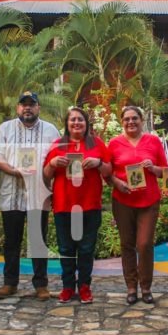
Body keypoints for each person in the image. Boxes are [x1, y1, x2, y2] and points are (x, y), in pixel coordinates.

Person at [0, 91, 60, 300]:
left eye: (31, 104)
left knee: (38, 240)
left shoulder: (50, 130)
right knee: (12, 241)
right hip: (12, 194)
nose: (27, 108)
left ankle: (41, 285)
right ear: (17, 108)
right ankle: (10, 283)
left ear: (38, 108)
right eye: (23, 104)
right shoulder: (6, 129)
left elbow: (58, 158)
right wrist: (13, 171)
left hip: (39, 193)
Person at [43, 107, 112, 304]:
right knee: (66, 249)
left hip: (89, 205)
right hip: (64, 205)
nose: (76, 123)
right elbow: (46, 175)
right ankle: (67, 287)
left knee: (86, 249)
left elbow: (108, 171)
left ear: (86, 123)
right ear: (67, 124)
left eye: (80, 119)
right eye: (72, 120)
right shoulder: (58, 144)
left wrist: (98, 163)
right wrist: (53, 162)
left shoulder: (95, 143)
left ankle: (84, 286)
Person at [106, 106, 168, 305]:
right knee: (127, 244)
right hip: (123, 200)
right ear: (121, 121)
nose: (131, 122)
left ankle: (146, 287)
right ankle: (131, 287)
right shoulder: (114, 143)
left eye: (135, 118)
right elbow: (106, 174)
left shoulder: (153, 141)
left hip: (148, 200)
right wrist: (117, 183)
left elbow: (166, 172)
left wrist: (154, 168)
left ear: (142, 120)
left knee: (144, 244)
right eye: (127, 119)